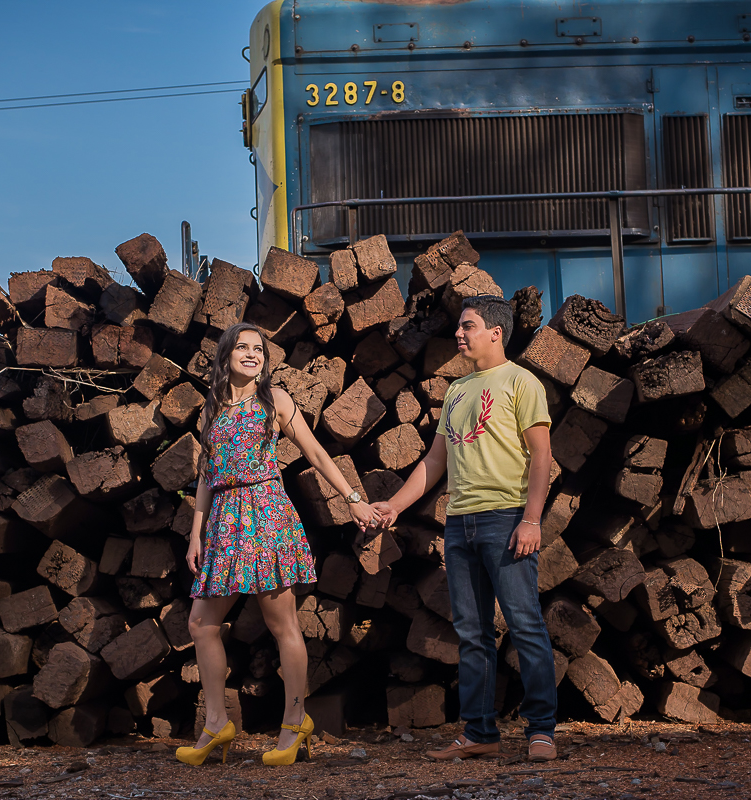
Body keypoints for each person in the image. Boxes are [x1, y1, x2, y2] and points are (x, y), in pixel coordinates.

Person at [176, 322, 379, 767]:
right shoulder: (212, 410)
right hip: (225, 523)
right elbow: (208, 478)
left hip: (266, 516)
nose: (252, 354)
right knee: (200, 624)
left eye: (258, 350)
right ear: (226, 355)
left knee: (281, 623)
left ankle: (294, 723)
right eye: (243, 348)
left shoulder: (275, 401)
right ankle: (215, 724)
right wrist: (196, 533)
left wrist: (353, 500)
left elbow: (316, 453)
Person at [371, 295, 558, 762]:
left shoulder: (521, 382)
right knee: (472, 633)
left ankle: (542, 731)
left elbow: (542, 456)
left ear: (496, 332)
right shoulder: (456, 390)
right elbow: (435, 462)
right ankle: (480, 733)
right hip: (460, 524)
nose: (459, 333)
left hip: (507, 518)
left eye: (468, 325)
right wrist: (393, 505)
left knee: (525, 625)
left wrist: (532, 519)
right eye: (460, 326)